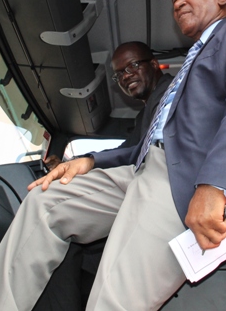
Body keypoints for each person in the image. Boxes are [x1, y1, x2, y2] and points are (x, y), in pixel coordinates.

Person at [0, 0, 226, 311]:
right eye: (174, 0)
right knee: (46, 202)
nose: (178, 3)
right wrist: (90, 161)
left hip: (190, 176)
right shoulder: (186, 71)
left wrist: (215, 186)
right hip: (142, 168)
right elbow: (147, 143)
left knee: (113, 298)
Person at [34, 41, 173, 310]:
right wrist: (73, 162)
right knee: (72, 240)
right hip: (141, 197)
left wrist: (86, 162)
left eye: (133, 65)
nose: (125, 76)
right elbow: (126, 149)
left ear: (154, 64)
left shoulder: (169, 95)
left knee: (65, 238)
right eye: (119, 73)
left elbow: (136, 152)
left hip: (161, 200)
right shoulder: (147, 111)